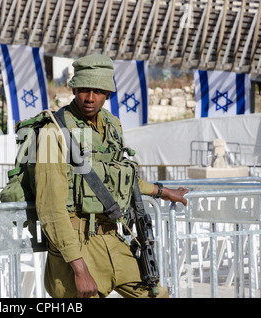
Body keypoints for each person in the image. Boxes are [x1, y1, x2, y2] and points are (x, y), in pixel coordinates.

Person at [34, 54, 189, 298]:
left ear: (108, 93)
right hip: (75, 246)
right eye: (84, 89)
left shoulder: (111, 124)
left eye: (98, 90)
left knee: (157, 295)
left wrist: (162, 191)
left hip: (111, 236)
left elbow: (117, 177)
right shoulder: (53, 132)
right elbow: (50, 208)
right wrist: (79, 268)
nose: (90, 98)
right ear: (74, 89)